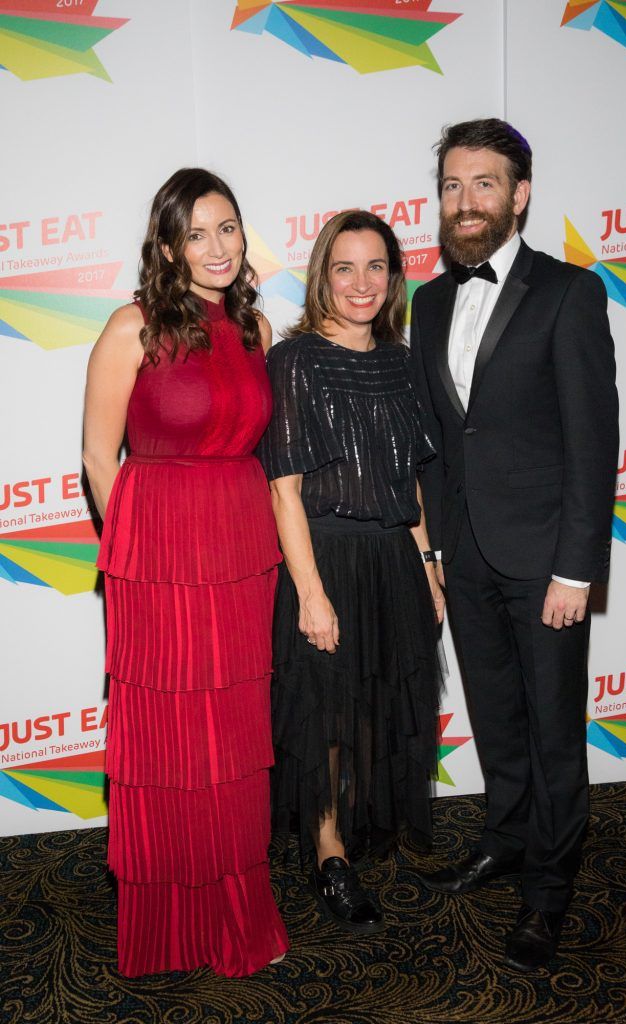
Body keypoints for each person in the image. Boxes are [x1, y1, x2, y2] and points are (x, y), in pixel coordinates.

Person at [410, 119, 619, 971]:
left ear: (519, 194)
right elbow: (433, 441)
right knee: (496, 719)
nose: (466, 202)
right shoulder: (425, 303)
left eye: (484, 184)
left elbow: (592, 441)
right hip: (465, 558)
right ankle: (502, 838)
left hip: (545, 566)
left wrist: (576, 568)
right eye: (453, 186)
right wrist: (434, 556)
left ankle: (549, 892)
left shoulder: (570, 294)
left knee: (553, 733)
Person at [83, 168, 288, 976]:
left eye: (228, 228)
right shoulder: (132, 328)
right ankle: (171, 928)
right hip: (159, 558)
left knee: (235, 741)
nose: (216, 247)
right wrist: (136, 553)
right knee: (172, 742)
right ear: (167, 245)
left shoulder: (257, 331)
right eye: (197, 233)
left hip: (241, 550)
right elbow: (101, 456)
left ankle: (238, 914)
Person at [258, 210, 445, 934]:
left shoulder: (401, 360)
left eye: (376, 268)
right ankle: (329, 854)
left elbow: (413, 480)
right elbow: (285, 488)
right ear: (322, 277)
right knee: (326, 712)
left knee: (377, 705)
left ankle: (356, 825)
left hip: (394, 556)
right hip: (326, 554)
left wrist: (429, 564)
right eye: (345, 267)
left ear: (394, 279)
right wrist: (310, 592)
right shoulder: (297, 360)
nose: (361, 283)